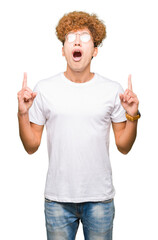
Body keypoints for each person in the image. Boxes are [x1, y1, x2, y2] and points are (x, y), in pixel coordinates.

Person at [17, 11, 140, 240]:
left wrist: (132, 115)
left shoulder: (112, 90)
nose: (76, 41)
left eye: (84, 37)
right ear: (63, 50)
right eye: (70, 37)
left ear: (94, 50)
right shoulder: (43, 89)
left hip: (100, 200)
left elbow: (124, 145)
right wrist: (22, 113)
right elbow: (31, 145)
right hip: (57, 201)